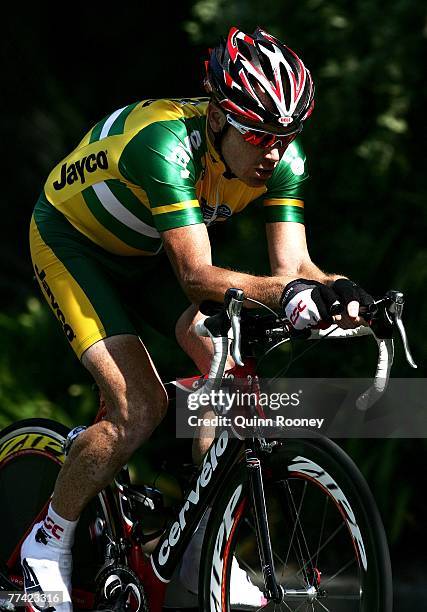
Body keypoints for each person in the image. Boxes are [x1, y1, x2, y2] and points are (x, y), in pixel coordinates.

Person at [22, 26, 372, 610]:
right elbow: (196, 277)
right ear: (217, 119)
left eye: (285, 136)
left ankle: (203, 548)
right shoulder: (164, 145)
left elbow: (295, 265)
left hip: (149, 250)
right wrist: (287, 293)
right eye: (259, 135)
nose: (274, 151)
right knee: (141, 405)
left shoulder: (281, 159)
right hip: (73, 244)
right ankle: (47, 539)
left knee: (222, 365)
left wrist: (346, 294)